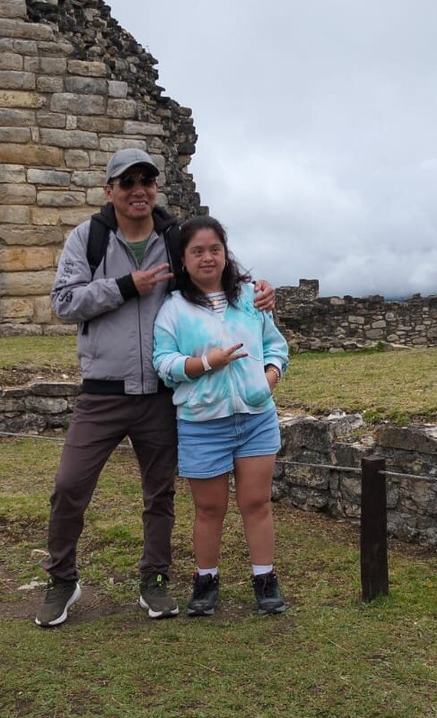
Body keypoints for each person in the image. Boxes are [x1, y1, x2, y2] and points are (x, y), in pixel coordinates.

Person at [35, 148, 275, 628]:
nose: (138, 189)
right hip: (103, 390)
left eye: (147, 180)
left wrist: (261, 289)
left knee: (159, 493)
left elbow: (218, 273)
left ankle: (155, 579)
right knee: (69, 487)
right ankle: (62, 579)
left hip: (162, 396)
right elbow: (63, 303)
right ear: (110, 191)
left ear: (156, 188)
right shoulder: (89, 238)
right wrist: (126, 285)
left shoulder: (174, 236)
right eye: (127, 182)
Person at [153, 216, 290, 617]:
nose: (207, 258)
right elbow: (163, 362)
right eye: (197, 251)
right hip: (201, 422)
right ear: (183, 260)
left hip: (255, 417)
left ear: (225, 253)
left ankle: (265, 579)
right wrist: (204, 363)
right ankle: (206, 580)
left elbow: (275, 346)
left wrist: (269, 378)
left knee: (256, 502)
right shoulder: (172, 310)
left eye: (215, 249)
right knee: (209, 509)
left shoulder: (250, 298)